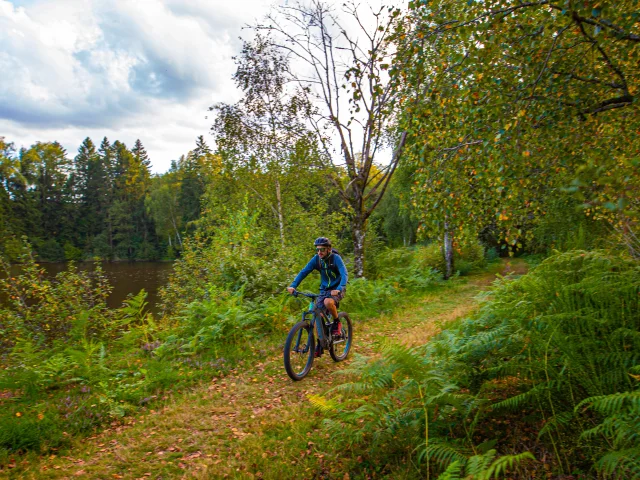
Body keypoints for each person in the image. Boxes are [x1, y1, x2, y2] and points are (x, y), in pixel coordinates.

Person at [287, 237, 348, 356]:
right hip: (324, 290)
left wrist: (339, 288)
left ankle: (336, 322)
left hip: (337, 289)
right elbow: (304, 272)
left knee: (328, 303)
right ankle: (321, 342)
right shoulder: (317, 259)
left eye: (322, 249)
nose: (319, 252)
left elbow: (344, 273)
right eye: (317, 249)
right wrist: (293, 285)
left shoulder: (336, 259)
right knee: (317, 317)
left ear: (329, 249)